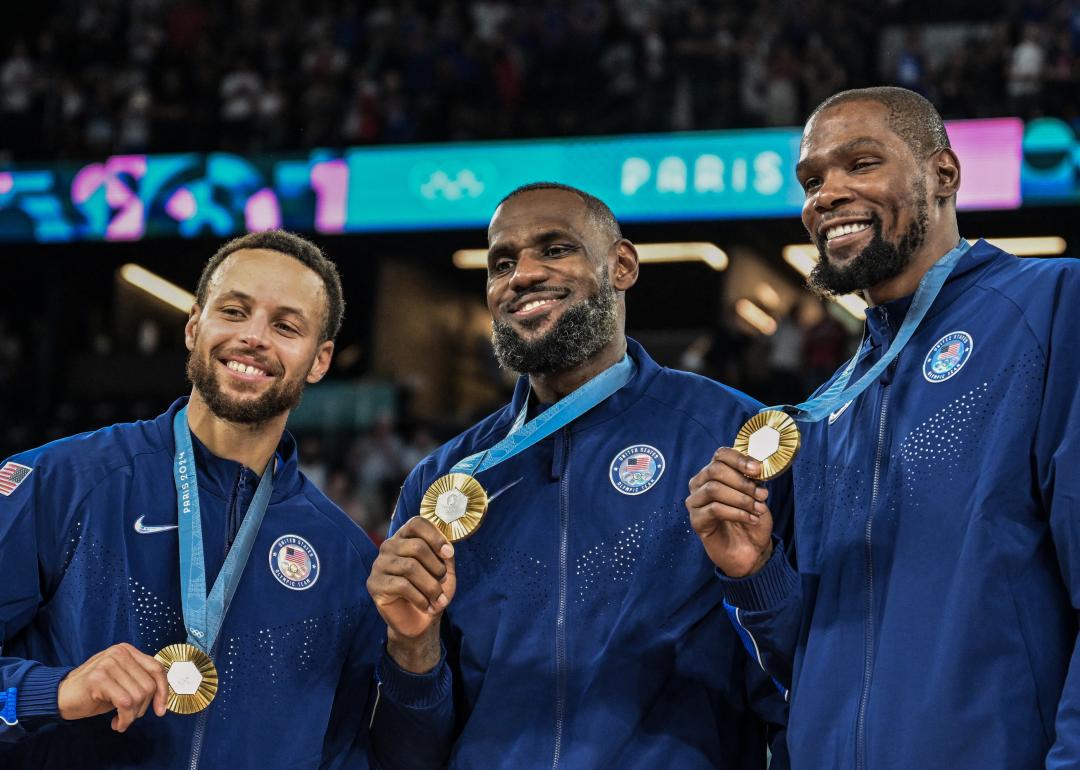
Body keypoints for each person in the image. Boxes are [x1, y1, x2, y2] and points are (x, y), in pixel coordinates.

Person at [686, 86, 1080, 769]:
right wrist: (754, 573)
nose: (827, 194)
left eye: (860, 164)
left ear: (943, 175)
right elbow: (810, 664)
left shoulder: (1051, 310)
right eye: (812, 179)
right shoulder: (825, 408)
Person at [367, 182, 790, 768]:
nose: (522, 275)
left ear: (621, 265)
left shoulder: (731, 434)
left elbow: (801, 680)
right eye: (502, 263)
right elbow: (410, 755)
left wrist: (760, 578)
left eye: (555, 249)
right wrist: (411, 650)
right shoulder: (445, 482)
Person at [0, 230, 445, 768]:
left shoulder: (347, 558)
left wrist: (415, 651)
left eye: (285, 326)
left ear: (320, 359)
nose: (254, 337)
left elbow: (372, 754)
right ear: (194, 325)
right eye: (234, 311)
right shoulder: (61, 482)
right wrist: (56, 691)